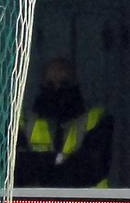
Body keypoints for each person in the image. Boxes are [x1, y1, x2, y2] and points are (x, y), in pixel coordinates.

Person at [15, 57, 113, 188]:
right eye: (50, 85)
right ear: (42, 86)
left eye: (64, 84)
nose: (57, 90)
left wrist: (42, 165)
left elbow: (90, 169)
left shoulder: (96, 118)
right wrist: (58, 160)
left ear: (75, 84)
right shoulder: (23, 121)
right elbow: (17, 168)